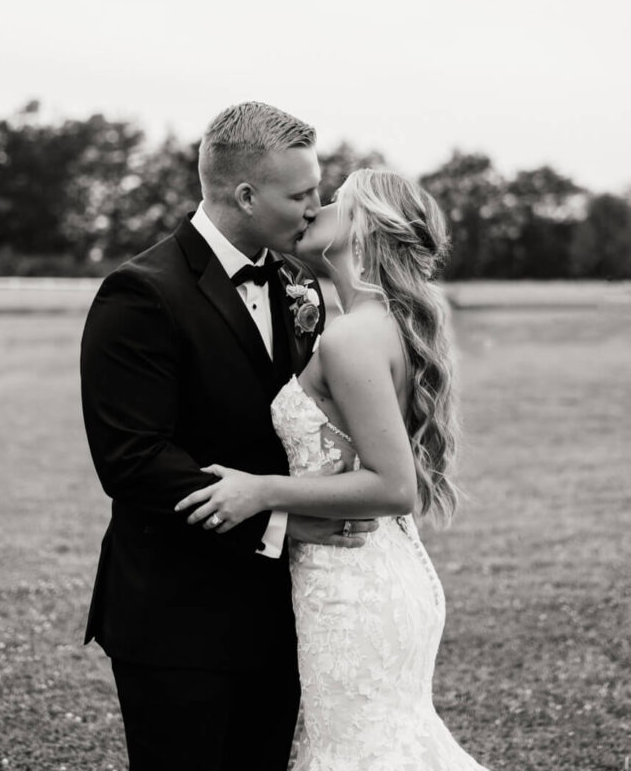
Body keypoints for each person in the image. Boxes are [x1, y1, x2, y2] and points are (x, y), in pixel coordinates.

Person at [80, 102, 375, 771]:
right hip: (178, 619)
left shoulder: (296, 283)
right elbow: (134, 460)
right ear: (245, 193)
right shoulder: (140, 294)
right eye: (301, 194)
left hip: (279, 615)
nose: (315, 207)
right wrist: (283, 518)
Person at [176, 168, 491, 770]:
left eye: (335, 200)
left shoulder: (351, 337)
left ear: (366, 227)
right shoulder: (382, 324)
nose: (315, 207)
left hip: (355, 585)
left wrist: (262, 491)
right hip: (378, 565)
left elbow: (394, 486)